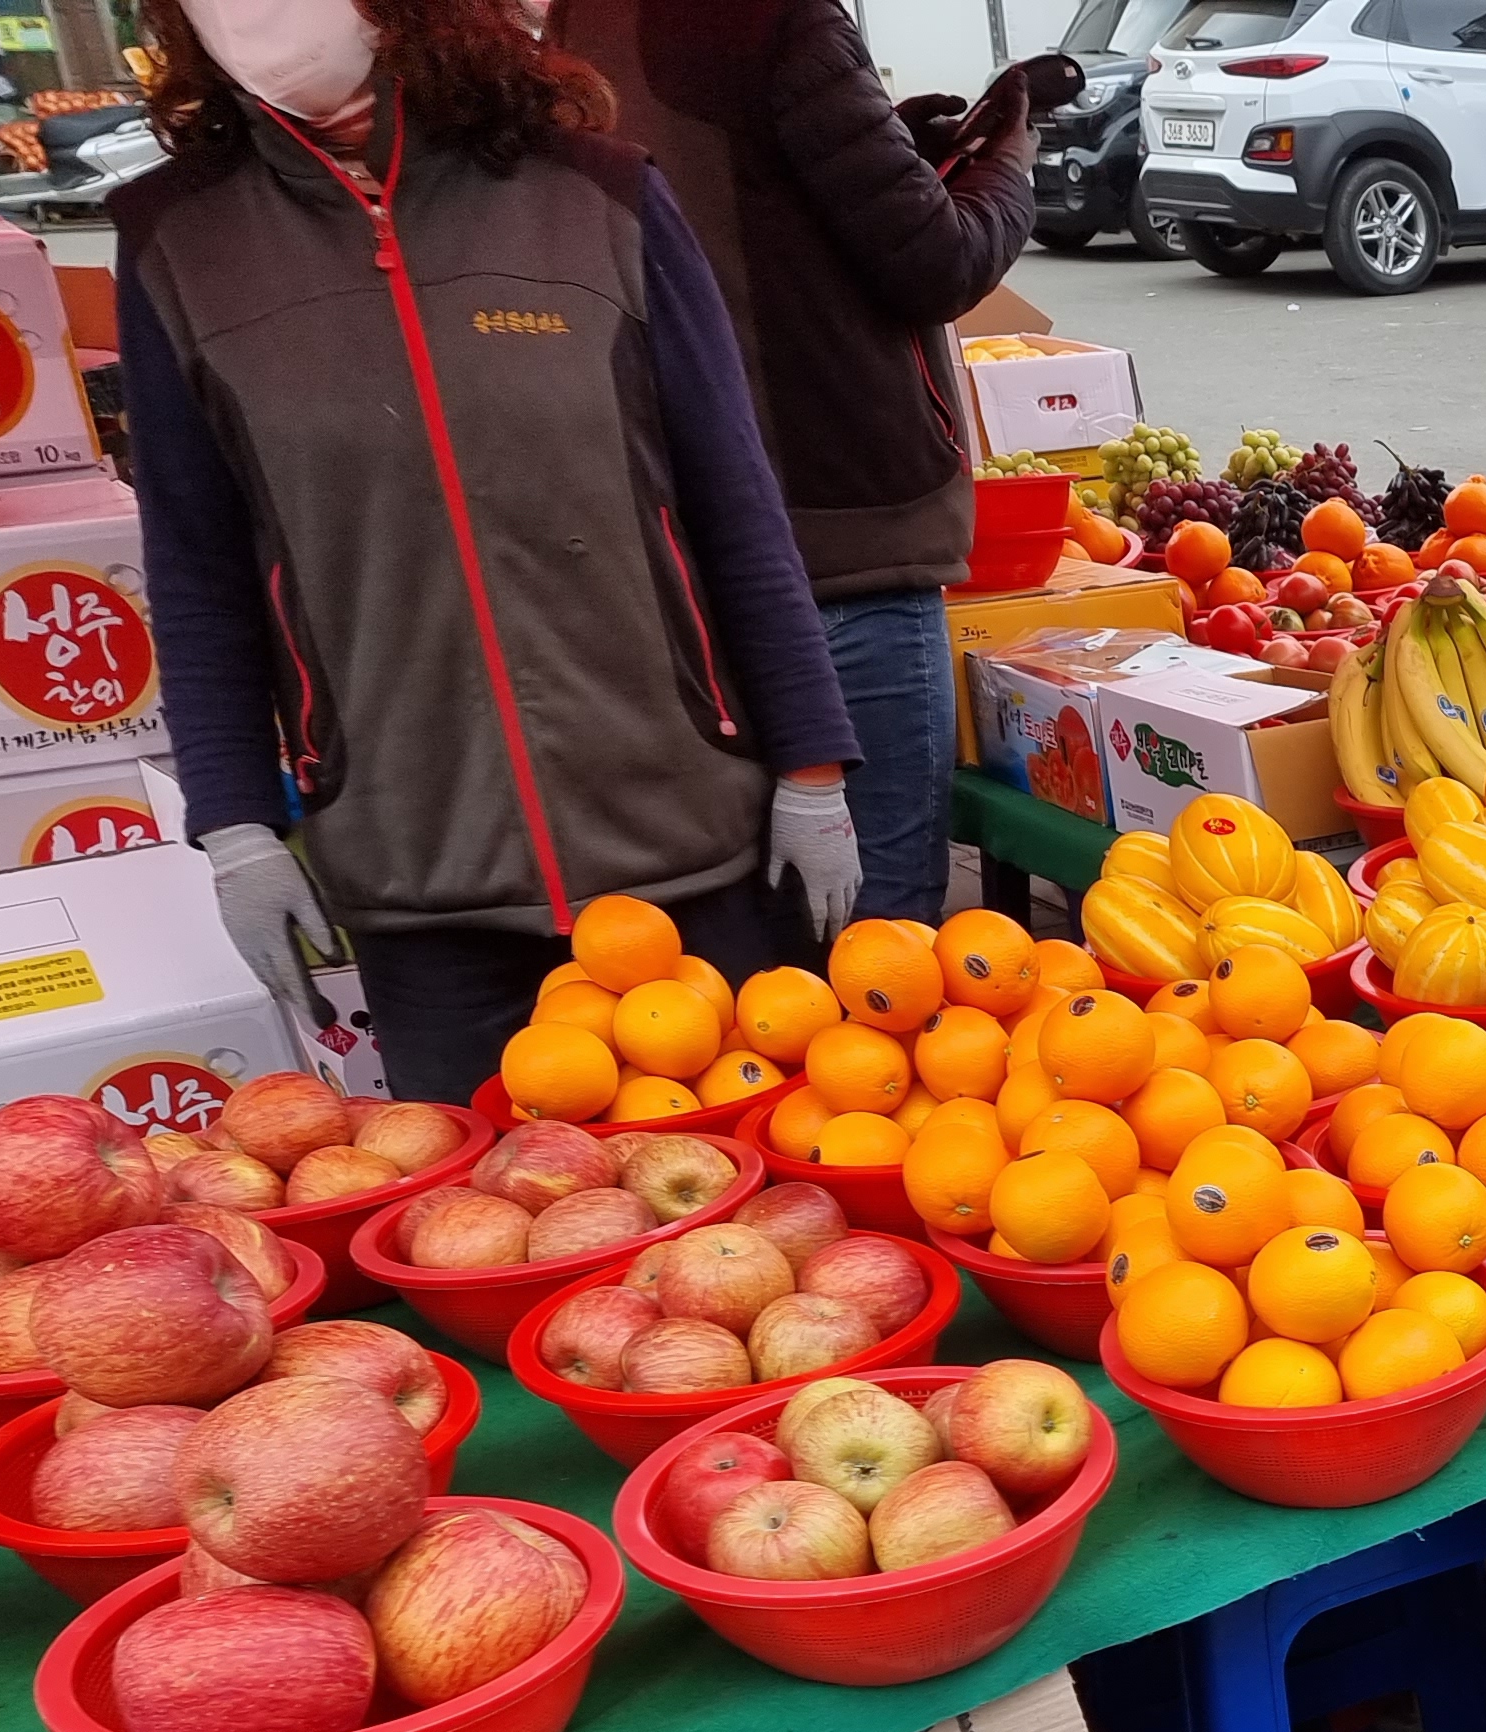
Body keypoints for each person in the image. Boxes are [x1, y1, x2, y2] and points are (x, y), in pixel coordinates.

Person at [117, 0, 864, 1102]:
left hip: (684, 850)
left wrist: (811, 768)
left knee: (744, 1197)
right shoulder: (181, 243)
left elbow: (733, 502)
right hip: (418, 884)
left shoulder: (596, 197)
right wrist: (235, 826)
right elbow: (198, 566)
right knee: (485, 1198)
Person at [547, 0, 1060, 929]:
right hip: (844, 530)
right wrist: (1008, 168)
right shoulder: (776, 18)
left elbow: (742, 198)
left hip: (683, 545)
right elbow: (939, 261)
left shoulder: (576, 29)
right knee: (884, 928)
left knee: (749, 927)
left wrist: (891, 147)